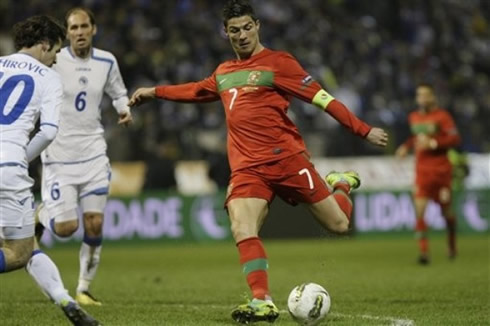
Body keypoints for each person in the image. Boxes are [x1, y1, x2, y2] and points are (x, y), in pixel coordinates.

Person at [129, 0, 388, 323]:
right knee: (242, 226)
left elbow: (324, 99)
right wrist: (154, 91)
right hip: (248, 168)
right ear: (225, 33)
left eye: (247, 28)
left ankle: (340, 183)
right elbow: (196, 90)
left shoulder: (280, 63)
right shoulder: (224, 72)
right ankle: (262, 301)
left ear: (258, 26)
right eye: (234, 30)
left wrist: (362, 130)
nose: (241, 35)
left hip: (287, 160)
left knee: (338, 225)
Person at [0, 15, 100, 326]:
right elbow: (48, 132)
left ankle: (66, 301)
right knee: (18, 252)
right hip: (8, 166)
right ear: (45, 45)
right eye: (55, 51)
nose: (57, 58)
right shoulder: (48, 77)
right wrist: (19, 157)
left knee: (30, 246)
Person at [35, 7, 132, 306]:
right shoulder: (53, 60)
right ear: (67, 32)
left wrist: (123, 109)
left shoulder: (106, 61)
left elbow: (117, 92)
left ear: (94, 29)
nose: (79, 32)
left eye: (84, 26)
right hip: (59, 157)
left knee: (94, 225)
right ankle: (39, 213)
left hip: (93, 154)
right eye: (73, 28)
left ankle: (83, 288)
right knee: (66, 230)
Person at [396, 83, 461, 265]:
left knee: (447, 212)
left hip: (441, 171)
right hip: (422, 172)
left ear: (433, 97)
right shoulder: (414, 117)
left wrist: (433, 144)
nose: (422, 99)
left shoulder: (443, 116)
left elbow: (455, 138)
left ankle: (451, 244)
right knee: (419, 212)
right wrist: (406, 146)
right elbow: (416, 138)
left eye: (425, 95)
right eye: (419, 95)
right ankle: (424, 253)